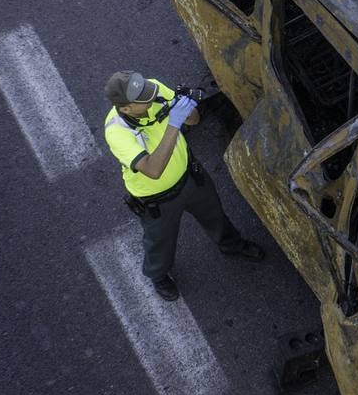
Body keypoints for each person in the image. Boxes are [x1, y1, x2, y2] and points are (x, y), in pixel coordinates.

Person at [103, 72, 265, 301]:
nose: (152, 95)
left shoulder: (154, 87)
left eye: (148, 90)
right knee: (160, 241)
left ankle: (231, 244)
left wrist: (187, 110)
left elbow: (194, 120)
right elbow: (153, 169)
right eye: (143, 98)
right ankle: (158, 274)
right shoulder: (117, 132)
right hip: (157, 199)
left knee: (215, 214)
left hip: (190, 175)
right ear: (127, 109)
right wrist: (173, 123)